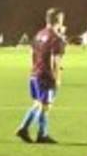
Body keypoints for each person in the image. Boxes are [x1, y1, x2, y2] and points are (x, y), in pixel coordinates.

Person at [15, 8, 65, 144]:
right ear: (59, 20)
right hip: (46, 76)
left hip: (35, 74)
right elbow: (55, 60)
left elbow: (31, 52)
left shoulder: (39, 34)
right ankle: (42, 134)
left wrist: (34, 68)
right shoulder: (56, 38)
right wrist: (57, 78)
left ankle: (23, 128)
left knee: (37, 103)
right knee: (46, 106)